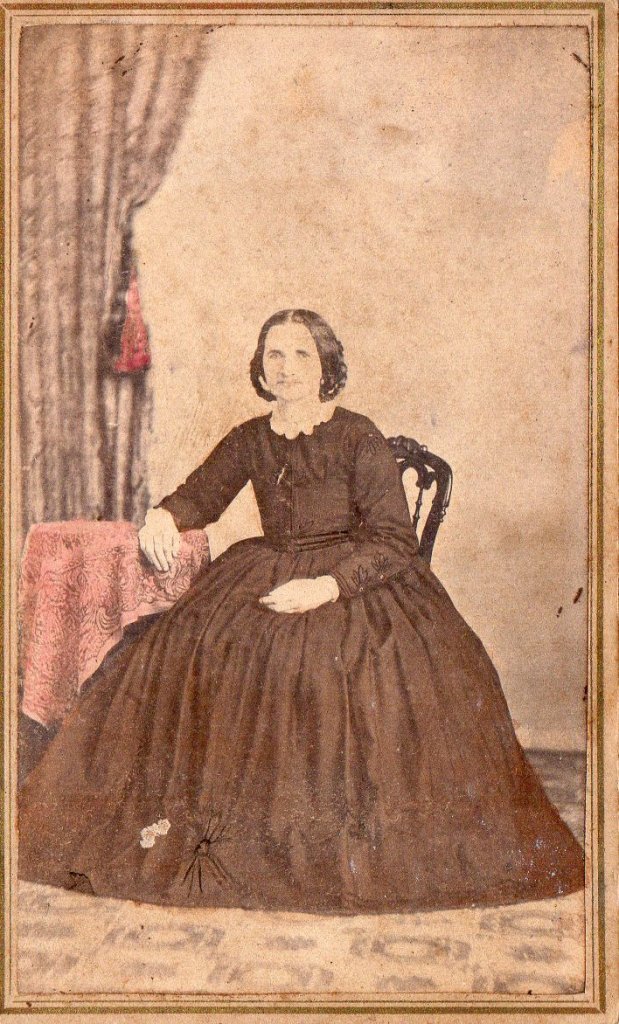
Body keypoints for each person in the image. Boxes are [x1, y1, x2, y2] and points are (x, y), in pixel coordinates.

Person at [18, 309, 584, 913]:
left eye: (301, 355)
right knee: (194, 655)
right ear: (261, 369)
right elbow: (200, 495)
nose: (286, 368)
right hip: (264, 567)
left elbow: (394, 540)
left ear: (325, 366)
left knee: (322, 670)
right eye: (275, 356)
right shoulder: (251, 437)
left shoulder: (358, 435)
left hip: (358, 587)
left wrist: (327, 587)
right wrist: (164, 515)